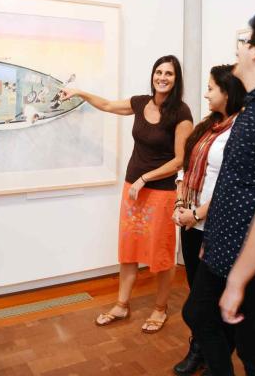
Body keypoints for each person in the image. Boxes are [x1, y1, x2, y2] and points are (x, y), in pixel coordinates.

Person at [183, 9, 255, 376]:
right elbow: (236, 184)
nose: (239, 50)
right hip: (226, 249)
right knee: (198, 313)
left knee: (254, 351)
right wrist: (212, 241)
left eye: (244, 43)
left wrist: (238, 279)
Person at [61, 55, 193, 332]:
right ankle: (121, 305)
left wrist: (145, 178)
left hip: (160, 191)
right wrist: (80, 92)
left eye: (169, 73)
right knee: (129, 248)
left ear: (176, 79)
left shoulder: (181, 112)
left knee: (162, 252)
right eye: (159, 72)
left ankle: (160, 308)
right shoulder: (140, 102)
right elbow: (108, 105)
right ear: (153, 75)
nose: (163, 77)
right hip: (133, 189)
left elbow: (180, 159)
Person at [172, 65, 246, 376]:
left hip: (216, 225)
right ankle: (201, 347)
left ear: (227, 93)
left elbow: (234, 183)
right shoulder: (208, 126)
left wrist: (199, 212)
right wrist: (180, 204)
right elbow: (187, 167)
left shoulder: (241, 129)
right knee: (196, 292)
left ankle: (212, 354)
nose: (206, 93)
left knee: (209, 300)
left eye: (211, 88)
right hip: (190, 223)